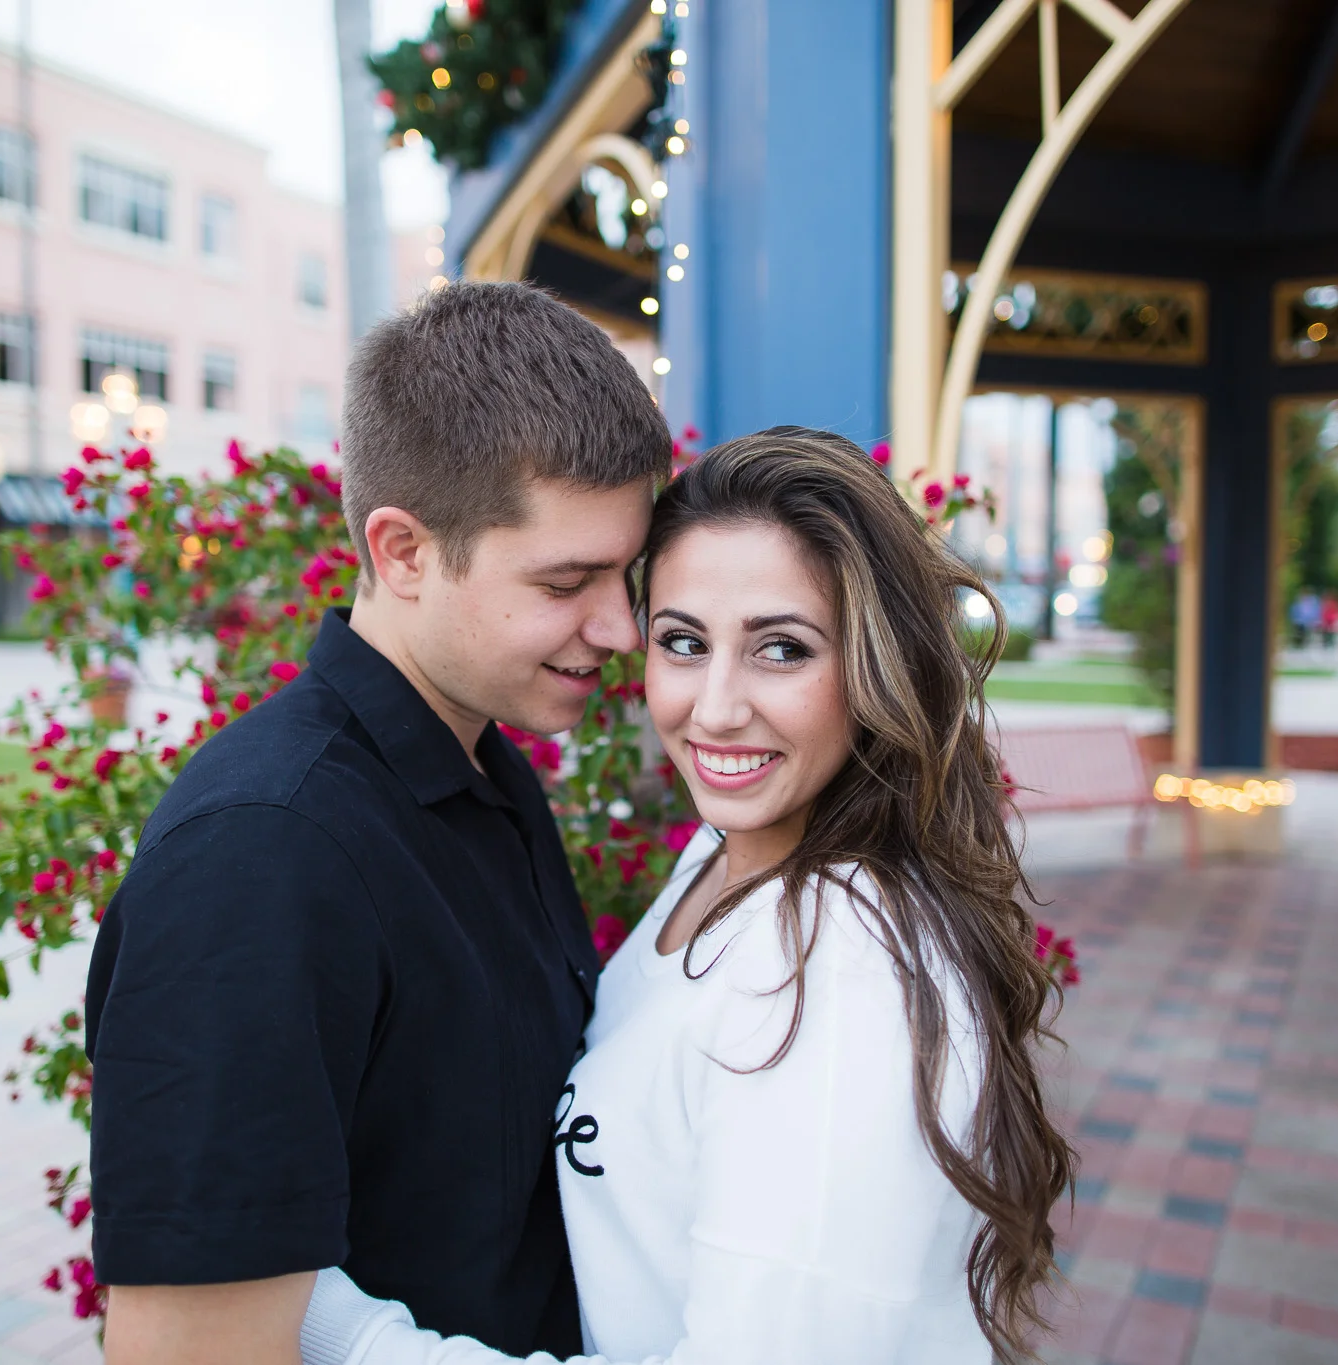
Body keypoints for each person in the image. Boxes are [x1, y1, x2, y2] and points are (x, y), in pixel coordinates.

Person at [300, 428, 1074, 1365]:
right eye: (682, 642)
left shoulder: (843, 973)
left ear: (876, 665)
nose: (713, 708)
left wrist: (343, 1331)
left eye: (781, 649)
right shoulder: (726, 850)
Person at [83, 281, 671, 1364]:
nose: (620, 628)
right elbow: (186, 1346)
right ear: (401, 552)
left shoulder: (485, 768)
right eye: (566, 580)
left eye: (624, 574)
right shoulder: (262, 854)